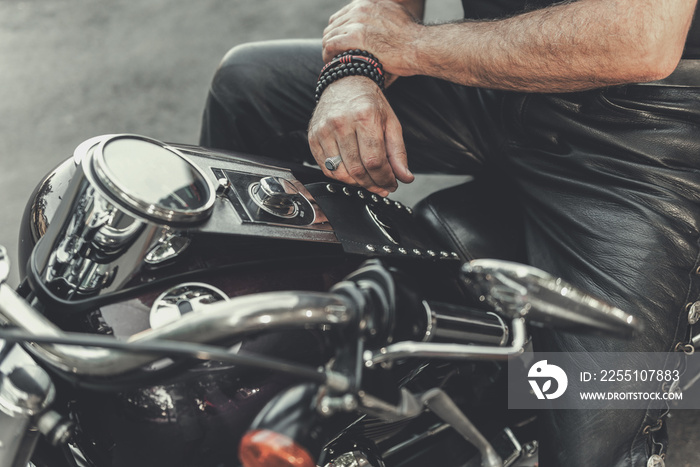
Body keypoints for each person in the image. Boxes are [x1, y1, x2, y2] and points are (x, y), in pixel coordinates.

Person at [200, 0, 700, 465]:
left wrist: (409, 45)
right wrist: (352, 72)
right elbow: (382, 16)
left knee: (596, 437)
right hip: (492, 84)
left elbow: (640, 38)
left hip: (642, 131)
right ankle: (215, 345)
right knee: (247, 88)